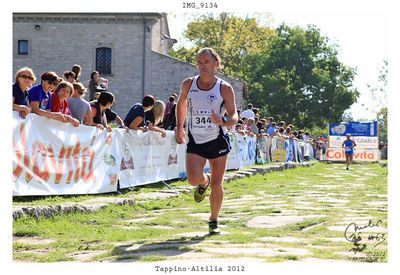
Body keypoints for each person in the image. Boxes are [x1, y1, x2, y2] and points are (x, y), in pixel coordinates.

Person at [175, 47, 238, 235]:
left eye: (206, 62)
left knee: (218, 184)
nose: (202, 66)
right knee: (193, 179)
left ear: (215, 64)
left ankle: (213, 220)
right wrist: (179, 127)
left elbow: (234, 115)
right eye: (199, 62)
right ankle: (204, 183)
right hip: (195, 138)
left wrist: (224, 121)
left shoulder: (224, 88)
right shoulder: (188, 84)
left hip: (217, 139)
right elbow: (181, 103)